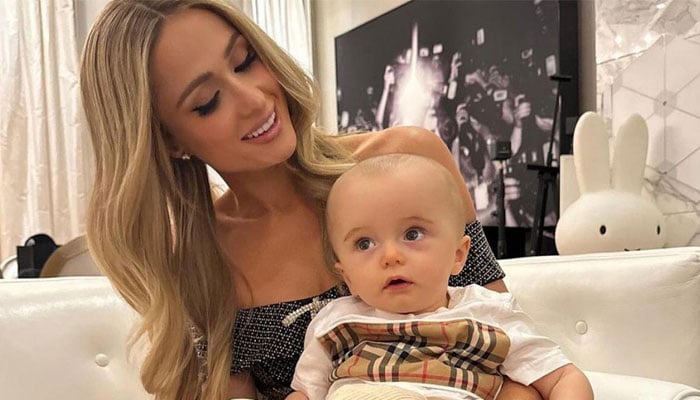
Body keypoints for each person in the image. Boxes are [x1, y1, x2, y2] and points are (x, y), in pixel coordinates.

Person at [79, 1, 545, 399]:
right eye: (207, 102)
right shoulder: (202, 258)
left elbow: (512, 353)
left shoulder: (409, 160)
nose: (254, 100)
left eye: (244, 61)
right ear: (168, 141)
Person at [290, 154, 593, 400]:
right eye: (364, 243)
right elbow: (305, 393)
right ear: (347, 277)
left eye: (413, 234)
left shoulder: (488, 313)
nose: (390, 256)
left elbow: (562, 378)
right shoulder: (335, 322)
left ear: (458, 255)